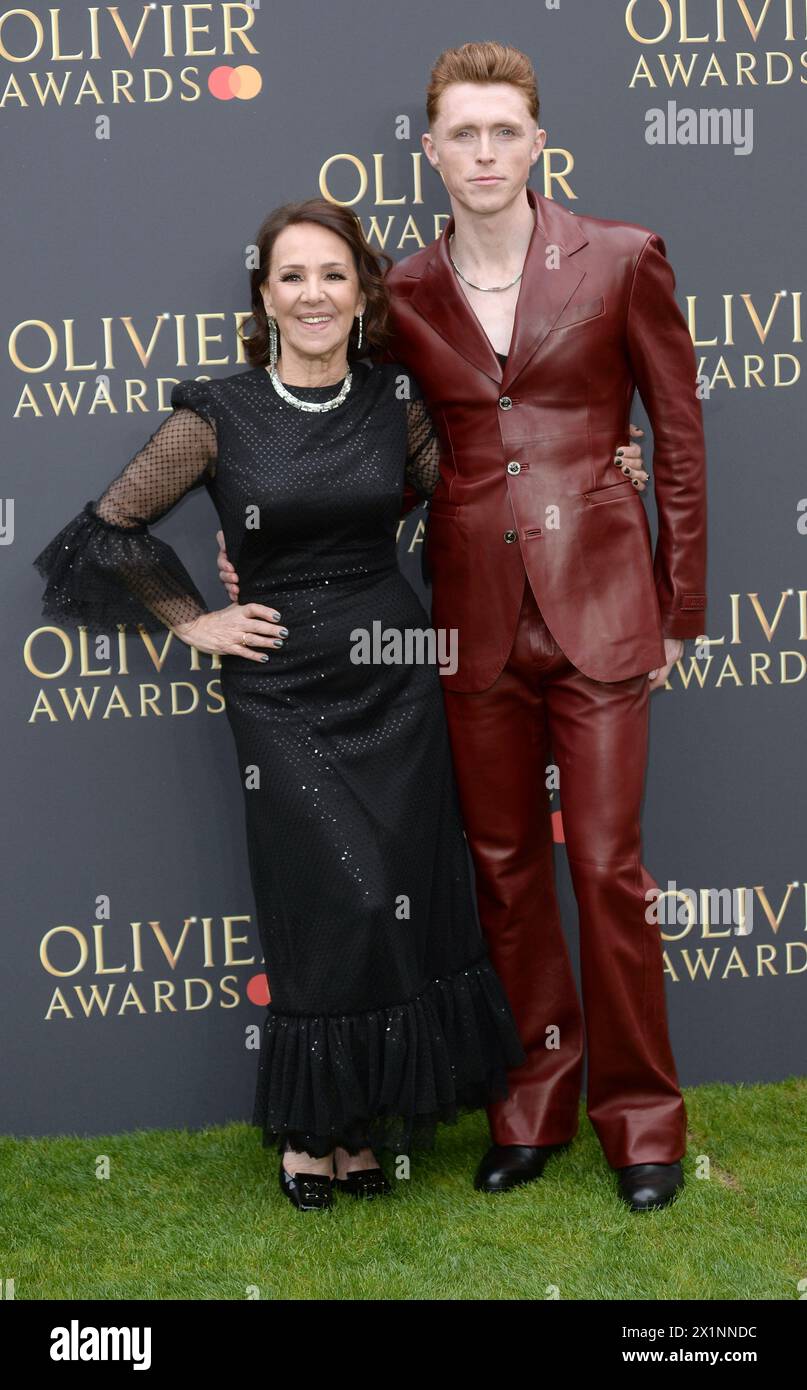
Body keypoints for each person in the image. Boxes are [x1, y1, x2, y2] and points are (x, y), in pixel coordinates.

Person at [219, 41, 706, 1213]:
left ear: (537, 142)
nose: (484, 152)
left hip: (604, 609)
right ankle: (531, 1107)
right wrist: (259, 534)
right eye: (462, 134)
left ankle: (642, 1121)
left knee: (605, 869)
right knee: (500, 874)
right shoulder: (403, 298)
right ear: (429, 150)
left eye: (504, 132)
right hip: (469, 622)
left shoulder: (624, 258)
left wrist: (680, 603)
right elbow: (361, 445)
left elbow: (678, 441)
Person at [34, 199, 541, 1212]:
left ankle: (362, 1130)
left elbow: (473, 496)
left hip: (392, 672)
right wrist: (193, 621)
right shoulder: (217, 411)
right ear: (264, 297)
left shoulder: (394, 399)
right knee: (334, 899)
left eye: (334, 276)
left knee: (396, 892)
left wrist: (598, 470)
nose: (314, 294)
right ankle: (313, 1134)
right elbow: (107, 528)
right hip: (280, 691)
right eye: (292, 277)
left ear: (363, 296)